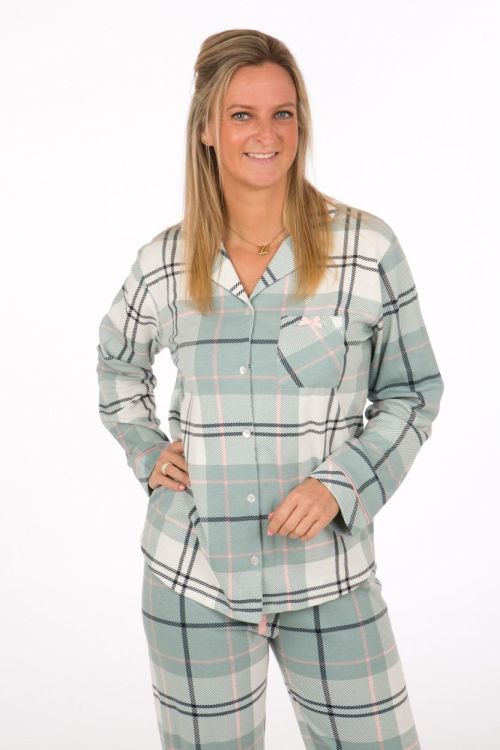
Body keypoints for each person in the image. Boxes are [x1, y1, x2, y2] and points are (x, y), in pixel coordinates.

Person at [96, 28, 444, 750]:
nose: (267, 133)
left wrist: (343, 484)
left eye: (283, 113)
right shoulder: (164, 263)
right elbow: (118, 366)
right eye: (242, 115)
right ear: (207, 130)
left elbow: (412, 392)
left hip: (330, 574)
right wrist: (147, 452)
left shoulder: (366, 249)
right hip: (193, 575)